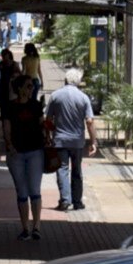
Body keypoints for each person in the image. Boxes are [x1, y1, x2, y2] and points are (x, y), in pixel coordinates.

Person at [1, 74, 47, 240]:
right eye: (28, 86)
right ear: (19, 89)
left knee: (34, 189)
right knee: (21, 191)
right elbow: (6, 128)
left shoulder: (36, 105)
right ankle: (25, 228)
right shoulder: (9, 107)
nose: (31, 89)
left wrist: (47, 133)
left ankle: (37, 226)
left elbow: (42, 125)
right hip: (16, 153)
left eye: (32, 86)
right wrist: (9, 145)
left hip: (35, 151)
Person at [46, 68, 97, 211]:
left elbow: (48, 119)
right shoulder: (83, 98)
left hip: (60, 140)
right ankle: (77, 202)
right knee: (77, 170)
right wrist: (93, 141)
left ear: (65, 80)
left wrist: (48, 136)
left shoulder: (55, 96)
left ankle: (65, 200)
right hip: (77, 141)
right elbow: (89, 121)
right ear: (78, 82)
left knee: (62, 169)